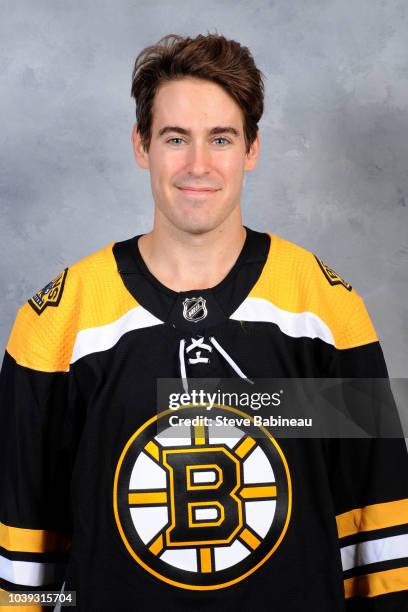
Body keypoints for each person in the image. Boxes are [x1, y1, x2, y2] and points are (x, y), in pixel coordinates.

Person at [0, 33, 407, 611]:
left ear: (252, 148)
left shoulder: (324, 308)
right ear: (142, 145)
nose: (198, 165)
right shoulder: (57, 322)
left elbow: (380, 524)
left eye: (221, 138)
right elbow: (24, 549)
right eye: (175, 138)